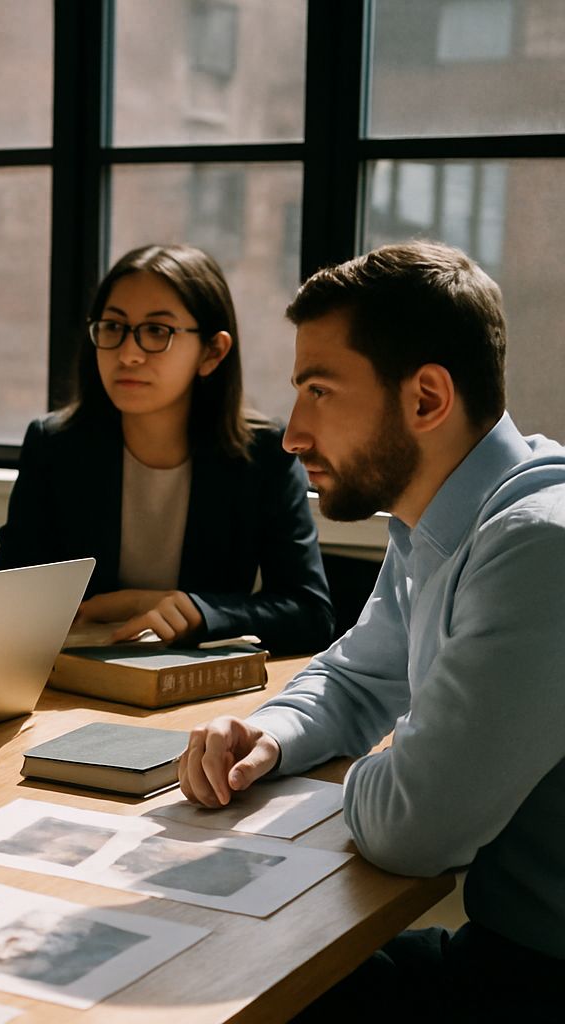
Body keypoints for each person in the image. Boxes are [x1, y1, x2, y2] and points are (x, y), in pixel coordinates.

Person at [177, 241, 564, 1014]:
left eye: (319, 391)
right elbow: (356, 674)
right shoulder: (444, 517)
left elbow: (415, 828)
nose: (291, 435)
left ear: (426, 399)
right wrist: (271, 736)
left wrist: (388, 777)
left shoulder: (537, 546)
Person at [0, 244, 334, 654]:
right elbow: (7, 604)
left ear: (212, 352)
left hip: (198, 683)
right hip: (75, 677)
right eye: (113, 327)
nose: (129, 354)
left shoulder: (262, 454)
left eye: (158, 331)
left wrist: (183, 609)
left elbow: (310, 613)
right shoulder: (55, 446)